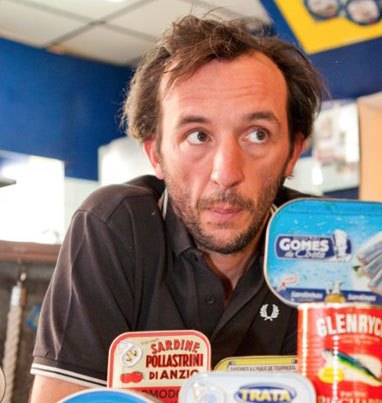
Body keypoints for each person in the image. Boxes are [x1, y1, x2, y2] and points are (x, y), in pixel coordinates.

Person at [30, 14, 323, 402]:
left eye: (257, 134)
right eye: (197, 136)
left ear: (292, 153)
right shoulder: (114, 226)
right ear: (156, 154)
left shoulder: (326, 242)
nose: (226, 173)